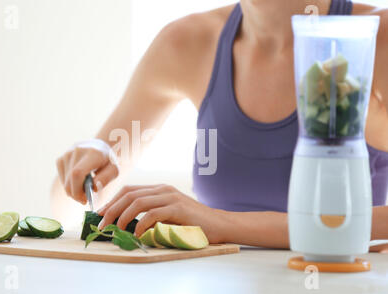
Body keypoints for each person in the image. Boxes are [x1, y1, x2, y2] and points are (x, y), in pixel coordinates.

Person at [55, 0, 388, 250]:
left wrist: (224, 224)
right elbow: (70, 203)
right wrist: (81, 171)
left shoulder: (376, 39)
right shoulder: (186, 43)